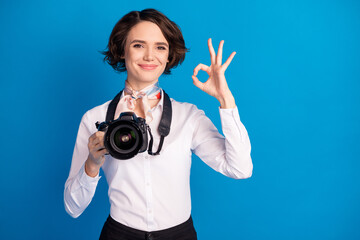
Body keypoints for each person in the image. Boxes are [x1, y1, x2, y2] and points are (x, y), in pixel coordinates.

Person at [64, 8, 253, 240]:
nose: (150, 56)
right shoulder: (96, 118)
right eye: (138, 45)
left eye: (160, 47)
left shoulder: (188, 116)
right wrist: (92, 164)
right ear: (122, 50)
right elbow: (73, 208)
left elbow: (240, 169)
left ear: (169, 56)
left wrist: (226, 99)